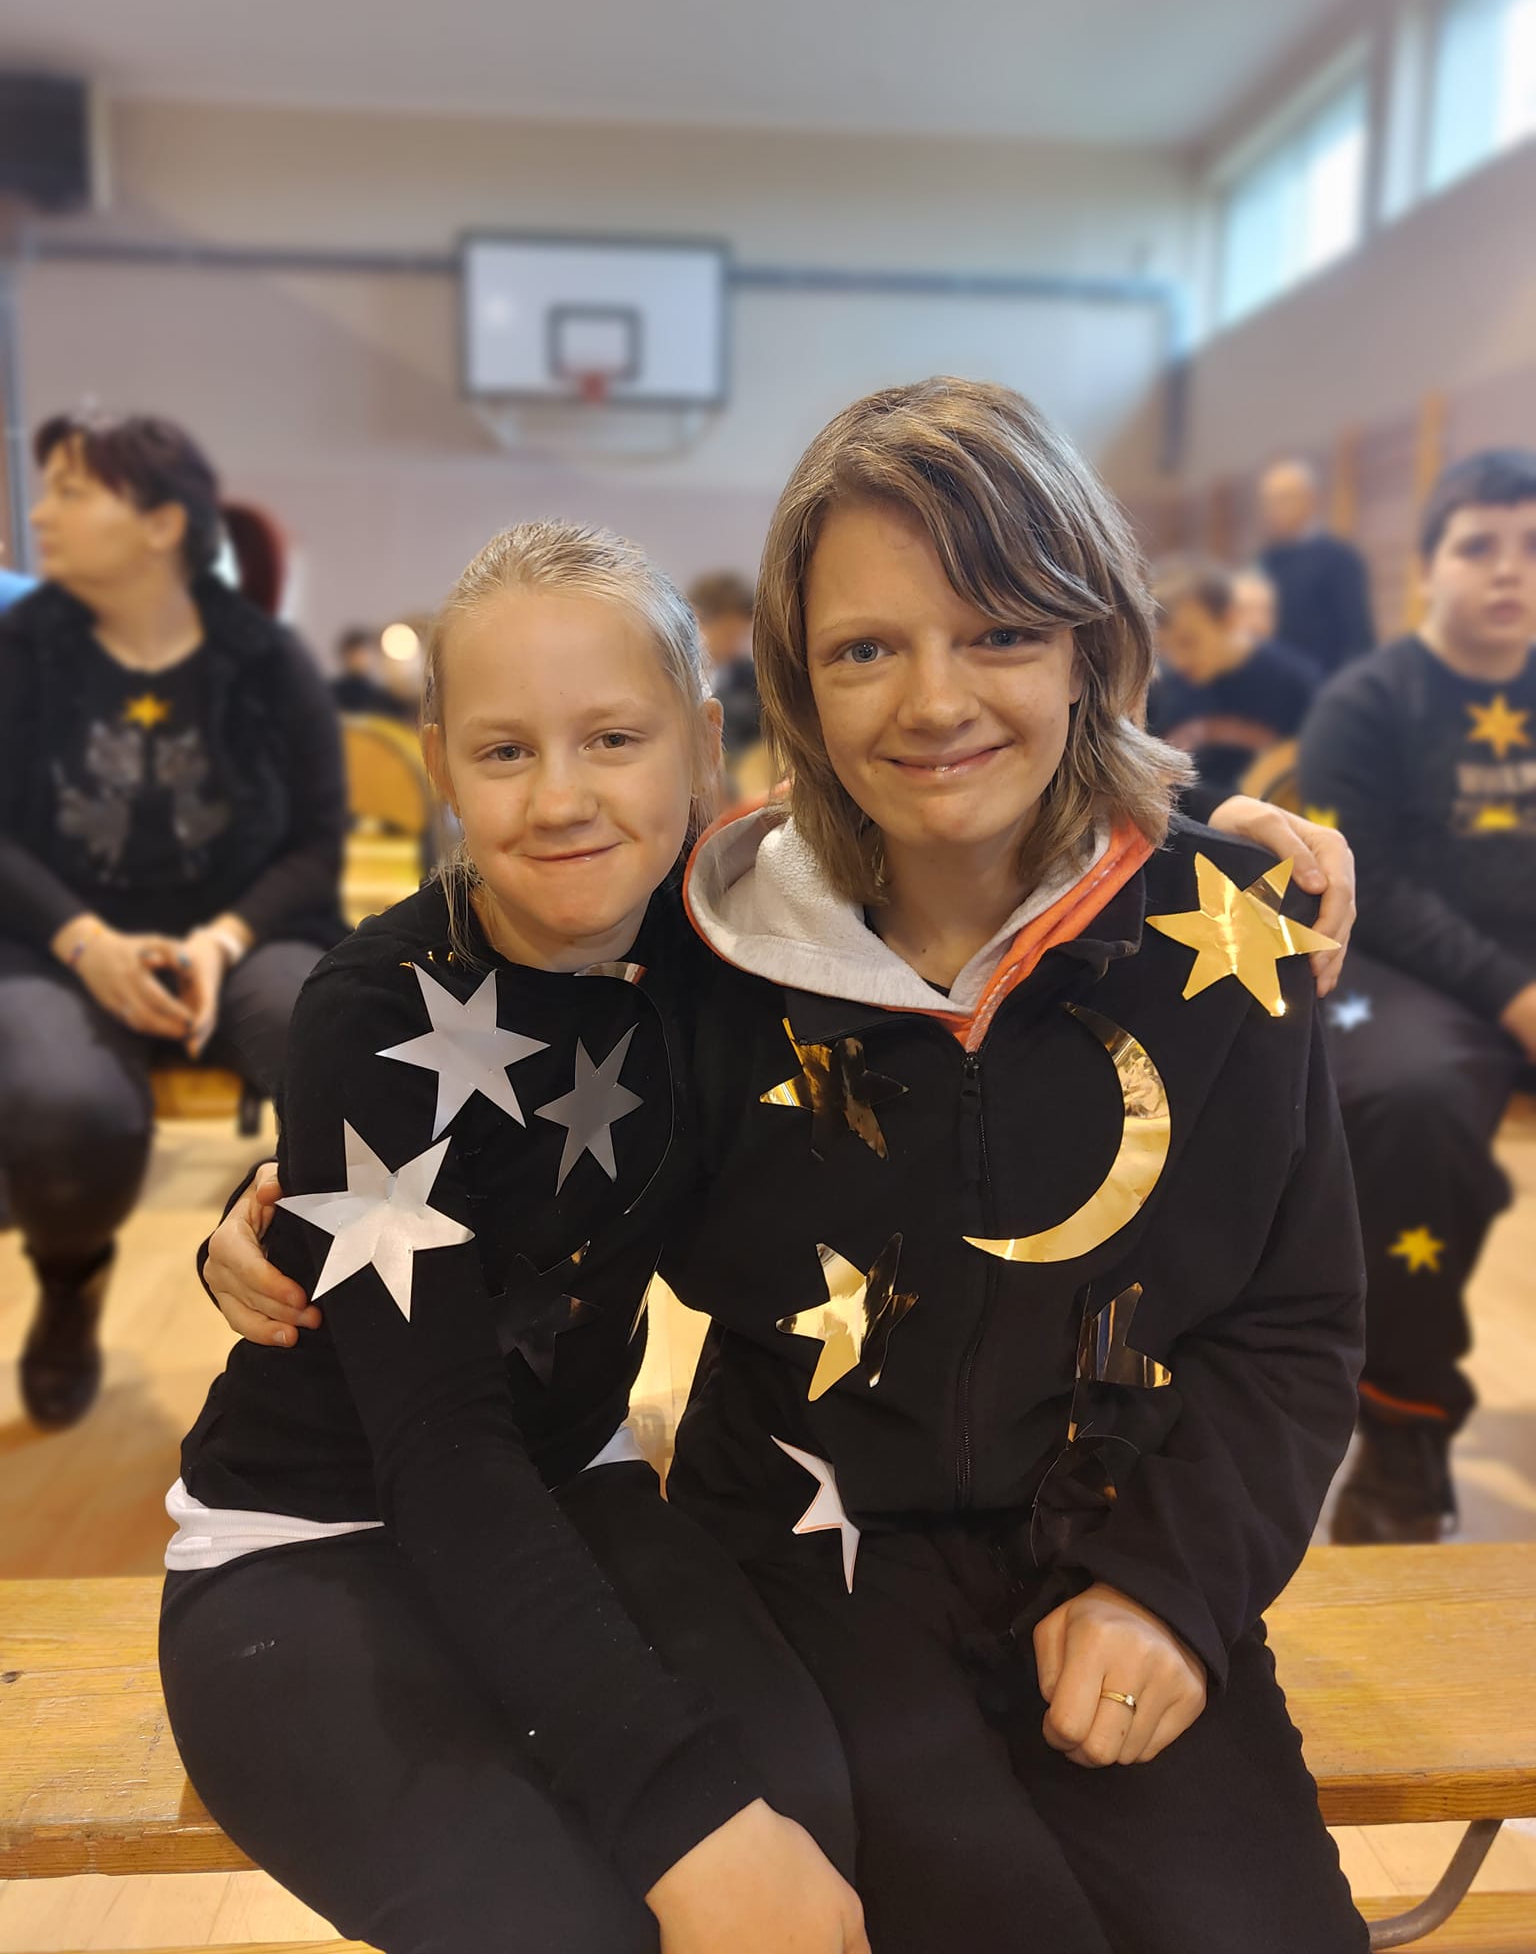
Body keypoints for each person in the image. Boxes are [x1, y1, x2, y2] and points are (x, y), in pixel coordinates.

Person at [202, 384, 1363, 1954]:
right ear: (796, 687)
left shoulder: (1227, 936)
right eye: (866, 649)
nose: (935, 700)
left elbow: (1297, 1321)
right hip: (808, 1554)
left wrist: (1173, 1585)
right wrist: (273, 1209)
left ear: (1091, 641)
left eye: (1002, 631)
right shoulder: (718, 933)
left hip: (1120, 1538)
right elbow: (464, 1127)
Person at [160, 521, 867, 1954]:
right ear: (439, 765)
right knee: (568, 1920)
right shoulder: (372, 1009)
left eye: (613, 738)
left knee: (812, 1824)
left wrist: (1220, 837)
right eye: (503, 751)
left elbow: (988, 816)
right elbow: (440, 1448)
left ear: (701, 743)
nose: (559, 798)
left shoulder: (729, 935)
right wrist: (680, 1814)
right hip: (306, 1538)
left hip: (568, 1486)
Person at [0, 412, 346, 1428]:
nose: (40, 514)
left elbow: (316, 843)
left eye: (71, 491)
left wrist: (221, 939)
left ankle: (329, 1302)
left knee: (334, 1048)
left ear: (160, 523)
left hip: (242, 937)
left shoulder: (267, 660)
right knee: (65, 1104)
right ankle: (70, 1278)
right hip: (57, 944)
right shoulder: (21, 654)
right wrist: (87, 942)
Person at [1300, 449, 1536, 1543]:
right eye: (1479, 546)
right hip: (1410, 976)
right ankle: (1402, 1426)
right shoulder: (1366, 702)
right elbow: (1377, 890)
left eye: (1530, 547)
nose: (1509, 568)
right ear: (1427, 568)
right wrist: (1516, 995)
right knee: (1410, 1103)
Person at [1147, 557, 1317, 797]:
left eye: (1188, 642)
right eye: (1165, 648)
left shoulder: (1295, 684)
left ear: (1230, 619)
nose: (1178, 660)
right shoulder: (1159, 693)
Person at [1258, 458, 1375, 676]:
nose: (1273, 509)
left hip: (1324, 682)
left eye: (1283, 498)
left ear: (1310, 499)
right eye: (1268, 501)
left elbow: (1359, 636)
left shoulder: (1339, 558)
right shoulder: (1265, 561)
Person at [687, 569, 761, 757]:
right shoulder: (673, 678)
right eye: (729, 634)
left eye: (742, 635)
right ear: (696, 621)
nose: (736, 647)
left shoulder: (752, 683)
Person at [330, 625, 415, 720]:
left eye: (363, 652)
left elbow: (401, 712)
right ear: (345, 654)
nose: (359, 657)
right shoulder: (333, 692)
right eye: (355, 653)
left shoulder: (380, 696)